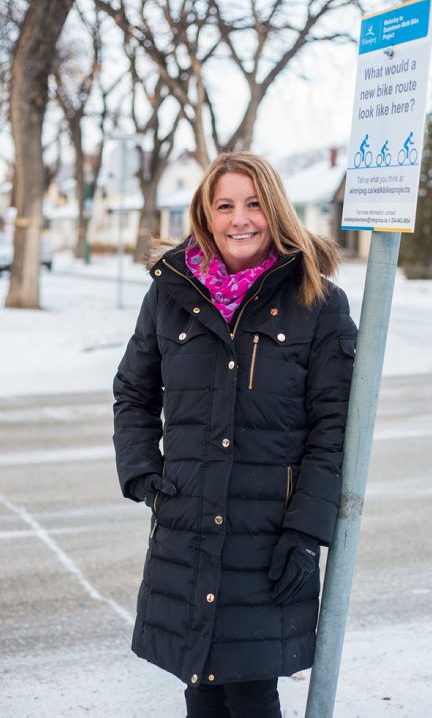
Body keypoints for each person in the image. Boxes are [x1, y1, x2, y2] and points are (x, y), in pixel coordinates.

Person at [113, 152, 357, 718]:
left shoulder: (316, 304)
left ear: (275, 212)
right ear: (206, 214)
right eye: (225, 205)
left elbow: (334, 428)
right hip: (188, 525)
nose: (239, 219)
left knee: (250, 691)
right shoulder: (169, 297)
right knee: (199, 686)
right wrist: (146, 477)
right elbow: (133, 392)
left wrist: (305, 531)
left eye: (253, 205)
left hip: (268, 537)